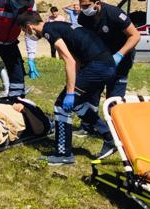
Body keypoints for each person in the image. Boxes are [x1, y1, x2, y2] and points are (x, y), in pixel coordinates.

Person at [18, 11, 115, 165]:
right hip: (105, 64)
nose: (26, 35)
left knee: (61, 106)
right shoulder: (56, 26)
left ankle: (64, 154)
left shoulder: (49, 31)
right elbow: (75, 59)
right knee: (76, 104)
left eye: (24, 31)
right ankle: (109, 136)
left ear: (29, 27)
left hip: (98, 66)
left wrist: (70, 92)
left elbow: (69, 61)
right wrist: (73, 88)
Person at [77, 0, 140, 99]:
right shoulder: (83, 18)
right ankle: (94, 115)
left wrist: (119, 55)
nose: (84, 9)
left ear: (97, 3)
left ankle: (113, 114)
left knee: (114, 98)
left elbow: (135, 36)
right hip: (100, 58)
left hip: (121, 57)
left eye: (87, 6)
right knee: (91, 94)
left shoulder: (113, 13)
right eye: (82, 6)